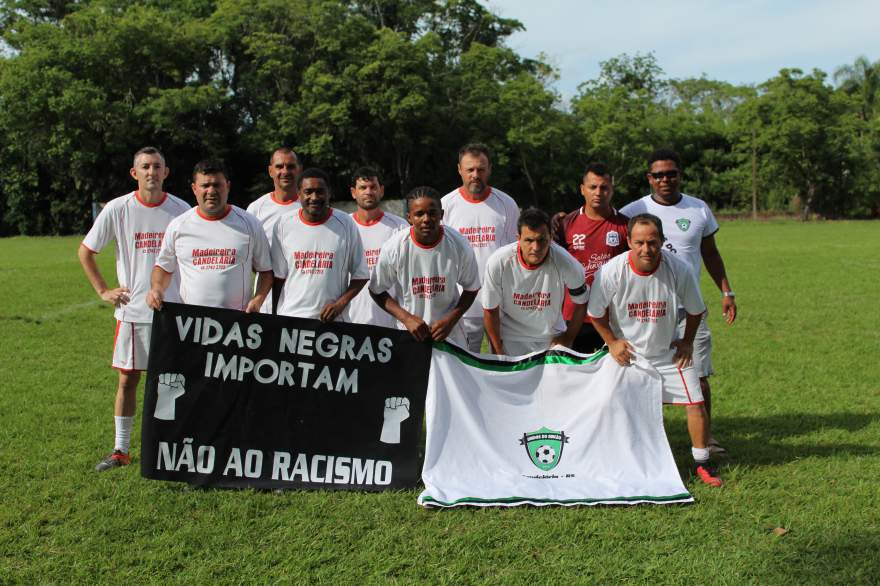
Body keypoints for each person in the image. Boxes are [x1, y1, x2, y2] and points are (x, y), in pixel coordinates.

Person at [588, 214, 723, 487]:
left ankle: (702, 463)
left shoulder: (679, 269)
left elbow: (697, 310)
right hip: (628, 355)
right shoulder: (612, 271)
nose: (646, 249)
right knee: (607, 404)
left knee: (695, 402)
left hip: (667, 352)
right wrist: (612, 342)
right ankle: (615, 459)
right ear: (628, 241)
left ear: (662, 241)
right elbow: (595, 313)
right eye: (639, 242)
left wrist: (686, 342)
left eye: (652, 242)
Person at [78, 146, 190, 472]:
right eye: (145, 167)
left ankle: (169, 447)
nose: (151, 172)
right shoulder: (118, 209)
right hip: (132, 313)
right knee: (127, 381)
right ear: (134, 173)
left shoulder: (181, 210)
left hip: (172, 311)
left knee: (170, 381)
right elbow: (86, 251)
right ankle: (121, 450)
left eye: (157, 167)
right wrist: (102, 290)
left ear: (166, 172)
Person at [620, 148, 737, 454]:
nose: (665, 179)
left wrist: (726, 291)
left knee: (698, 372)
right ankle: (647, 438)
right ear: (649, 178)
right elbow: (604, 227)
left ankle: (706, 438)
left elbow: (710, 253)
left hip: (688, 309)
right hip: (646, 311)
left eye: (671, 173)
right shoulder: (632, 211)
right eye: (658, 175)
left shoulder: (698, 209)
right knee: (642, 373)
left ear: (679, 175)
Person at [147, 159, 272, 313]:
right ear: (194, 188)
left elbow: (265, 270)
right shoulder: (178, 226)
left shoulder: (249, 224)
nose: (211, 191)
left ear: (228, 186)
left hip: (237, 323)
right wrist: (157, 289)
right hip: (191, 323)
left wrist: (258, 300)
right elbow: (163, 268)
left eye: (217, 185)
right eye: (205, 185)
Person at [370, 186, 480, 347]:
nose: (426, 219)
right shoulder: (394, 247)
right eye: (419, 214)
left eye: (432, 213)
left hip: (451, 335)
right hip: (410, 334)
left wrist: (451, 320)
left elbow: (472, 288)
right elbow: (376, 290)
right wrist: (407, 318)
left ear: (441, 214)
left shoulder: (459, 245)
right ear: (409, 217)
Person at [441, 143, 519, 352]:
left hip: (500, 302)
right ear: (459, 170)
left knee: (502, 361)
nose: (475, 175)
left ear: (489, 169)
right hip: (461, 304)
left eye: (481, 169)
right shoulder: (445, 206)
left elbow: (516, 251)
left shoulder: (506, 204)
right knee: (467, 364)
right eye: (470, 169)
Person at [482, 208, 589, 356]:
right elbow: (490, 309)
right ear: (518, 238)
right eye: (529, 240)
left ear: (551, 237)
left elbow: (582, 302)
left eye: (541, 240)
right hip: (510, 339)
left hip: (551, 339)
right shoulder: (498, 262)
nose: (536, 248)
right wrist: (497, 350)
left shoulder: (567, 263)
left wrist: (567, 339)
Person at [271, 168, 369, 321]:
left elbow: (361, 275)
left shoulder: (345, 223)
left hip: (332, 322)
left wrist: (340, 304)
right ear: (299, 193)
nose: (314, 197)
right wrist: (274, 317)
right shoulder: (283, 224)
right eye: (308, 192)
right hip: (292, 318)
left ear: (329, 192)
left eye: (320, 191)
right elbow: (277, 277)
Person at [555, 162, 629, 354]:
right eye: (593, 187)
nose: (598, 192)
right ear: (582, 189)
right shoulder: (565, 224)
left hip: (612, 316)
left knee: (613, 377)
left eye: (604, 187)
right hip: (574, 316)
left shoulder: (625, 226)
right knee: (574, 376)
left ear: (612, 190)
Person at [347, 167, 408, 327]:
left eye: (373, 187)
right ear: (353, 192)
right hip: (350, 320)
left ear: (381, 191)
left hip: (391, 323)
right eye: (362, 187)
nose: (368, 192)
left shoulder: (400, 227)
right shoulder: (344, 227)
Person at [246, 147, 302, 313]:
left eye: (291, 166)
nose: (285, 171)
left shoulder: (312, 208)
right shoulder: (256, 209)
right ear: (270, 171)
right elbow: (248, 256)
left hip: (302, 297)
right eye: (279, 167)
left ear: (299, 170)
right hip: (265, 301)